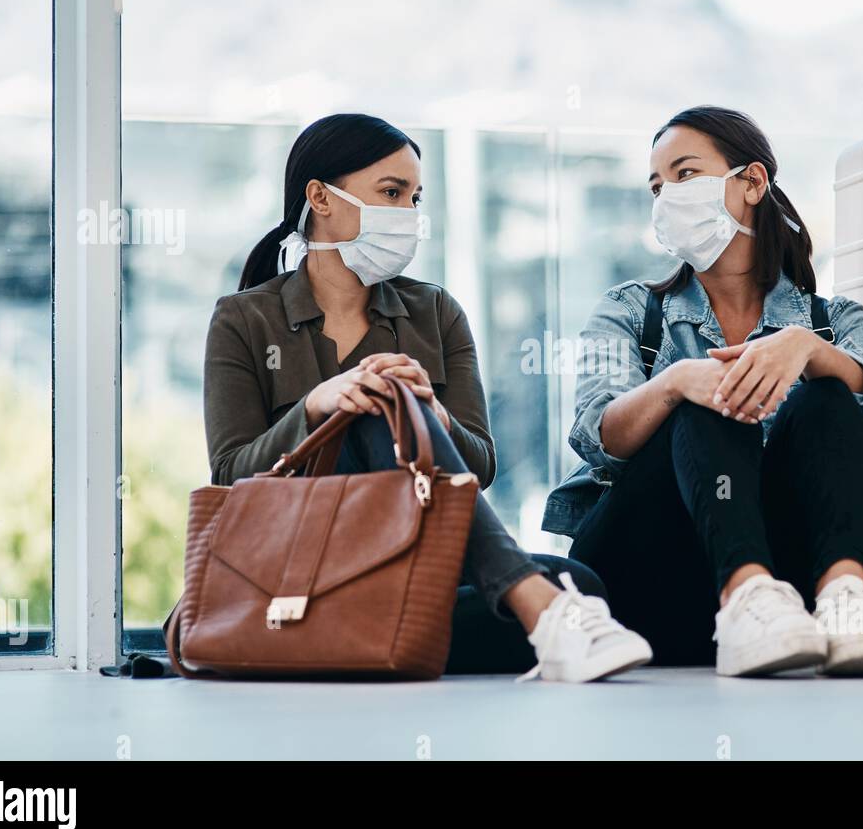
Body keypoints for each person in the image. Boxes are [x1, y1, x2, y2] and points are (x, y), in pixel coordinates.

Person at [203, 113, 651, 682]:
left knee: (581, 583)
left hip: (415, 555)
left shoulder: (435, 313)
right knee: (373, 406)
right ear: (320, 197)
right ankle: (526, 604)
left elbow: (481, 464)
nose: (409, 215)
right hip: (300, 565)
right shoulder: (244, 318)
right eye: (392, 194)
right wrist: (319, 405)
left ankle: (352, 634)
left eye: (415, 199)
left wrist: (432, 415)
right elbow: (229, 474)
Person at [563, 106, 863, 677]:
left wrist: (810, 350)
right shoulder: (628, 309)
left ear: (752, 182)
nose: (667, 196)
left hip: (788, 597)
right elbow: (598, 436)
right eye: (657, 185)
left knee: (828, 395)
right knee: (706, 398)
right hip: (649, 573)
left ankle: (846, 603)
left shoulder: (833, 319)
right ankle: (744, 594)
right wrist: (675, 382)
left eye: (685, 174)